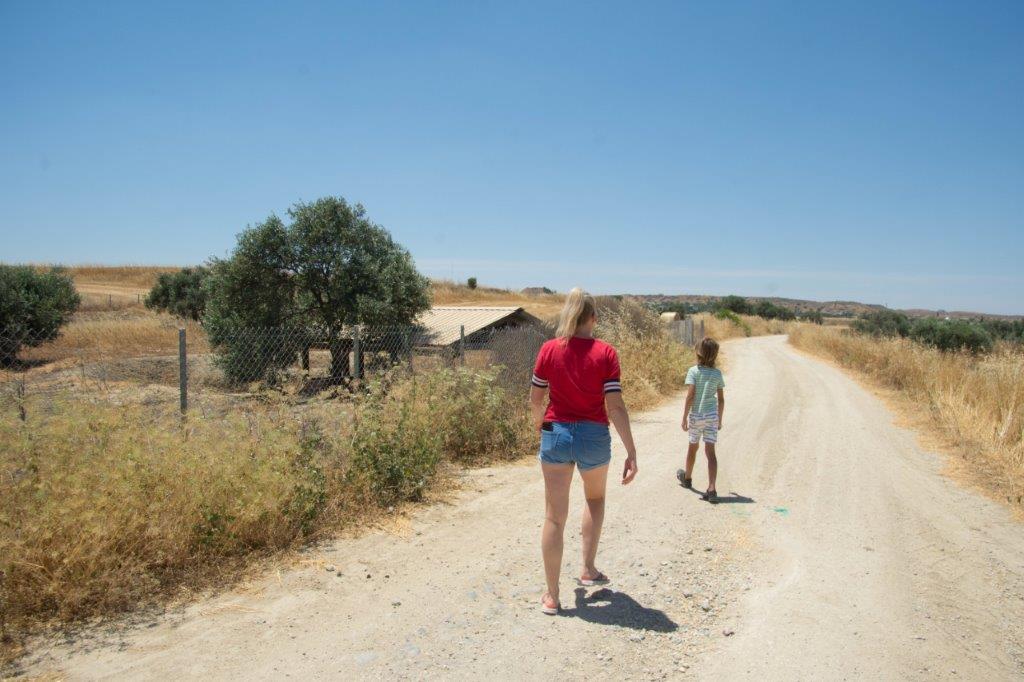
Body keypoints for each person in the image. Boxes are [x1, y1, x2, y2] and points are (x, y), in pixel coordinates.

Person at [529, 288, 639, 615]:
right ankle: (588, 568)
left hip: (556, 433)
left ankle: (552, 596)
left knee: (553, 516)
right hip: (593, 436)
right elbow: (615, 407)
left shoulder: (549, 350)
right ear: (593, 318)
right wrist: (631, 451)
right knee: (594, 500)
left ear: (568, 316)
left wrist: (541, 426)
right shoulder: (606, 353)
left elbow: (536, 399)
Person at [677, 337, 725, 503]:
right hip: (712, 416)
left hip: (697, 415)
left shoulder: (693, 371)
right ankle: (712, 488)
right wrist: (719, 419)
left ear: (698, 353)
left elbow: (690, 396)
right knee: (710, 453)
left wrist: (684, 417)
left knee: (693, 448)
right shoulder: (717, 374)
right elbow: (721, 399)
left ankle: (687, 478)